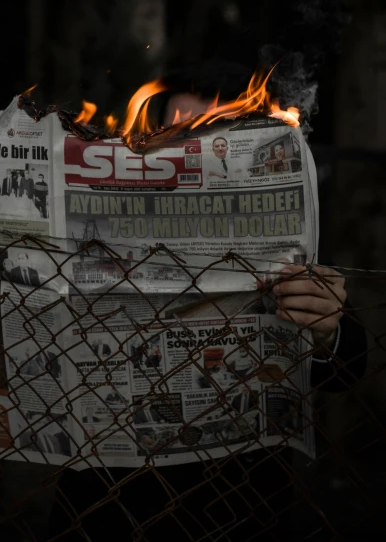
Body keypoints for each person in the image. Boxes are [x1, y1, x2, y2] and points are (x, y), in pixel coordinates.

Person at [48, 61, 368, 541]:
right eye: (176, 133)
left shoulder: (288, 233)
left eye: (207, 134)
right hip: (106, 502)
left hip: (239, 501)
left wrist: (326, 328)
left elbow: (350, 361)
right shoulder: (86, 224)